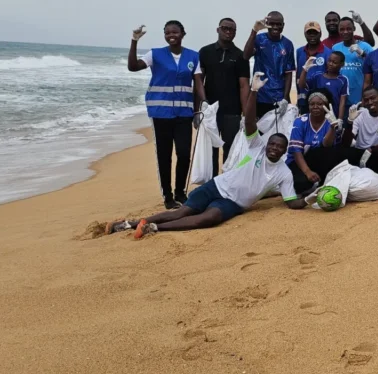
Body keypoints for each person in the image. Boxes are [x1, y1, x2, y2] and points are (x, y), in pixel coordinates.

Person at [106, 73, 306, 238]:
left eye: (279, 147)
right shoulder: (256, 147)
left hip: (233, 203)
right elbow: (250, 121)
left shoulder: (284, 173)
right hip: (217, 186)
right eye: (272, 144)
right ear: (267, 143)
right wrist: (253, 91)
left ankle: (153, 228)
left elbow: (292, 202)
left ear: (284, 151)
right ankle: (129, 224)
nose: (274, 148)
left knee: (209, 218)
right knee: (183, 211)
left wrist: (310, 199)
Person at [127, 21, 206, 209]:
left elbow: (198, 85)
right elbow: (133, 66)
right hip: (160, 113)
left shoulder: (193, 56)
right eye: (167, 33)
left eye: (175, 32)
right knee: (164, 156)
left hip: (184, 113)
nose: (171, 35)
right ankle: (168, 197)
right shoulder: (155, 54)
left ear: (182, 34)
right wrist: (134, 40)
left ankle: (181, 193)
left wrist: (202, 107)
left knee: (184, 154)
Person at [198, 18, 250, 176]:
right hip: (210, 111)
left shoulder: (241, 55)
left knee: (231, 150)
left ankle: (227, 182)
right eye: (225, 28)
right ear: (218, 29)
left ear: (235, 33)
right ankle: (212, 182)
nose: (228, 31)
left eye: (232, 29)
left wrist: (245, 114)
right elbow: (199, 80)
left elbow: (244, 85)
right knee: (210, 151)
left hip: (232, 111)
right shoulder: (205, 52)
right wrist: (199, 108)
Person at [287, 89, 345, 193]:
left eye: (319, 104)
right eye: (312, 104)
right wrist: (307, 171)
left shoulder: (330, 121)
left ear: (326, 105)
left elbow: (327, 146)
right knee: (301, 184)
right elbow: (296, 151)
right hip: (299, 162)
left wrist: (332, 128)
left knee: (331, 154)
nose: (315, 107)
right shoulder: (300, 121)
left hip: (319, 161)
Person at [244, 11, 295, 118]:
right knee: (259, 128)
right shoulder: (259, 39)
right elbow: (246, 56)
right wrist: (254, 31)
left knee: (280, 129)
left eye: (278, 24)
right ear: (266, 24)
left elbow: (288, 73)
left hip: (279, 98)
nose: (275, 27)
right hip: (260, 96)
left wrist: (286, 98)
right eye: (272, 24)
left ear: (283, 25)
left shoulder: (288, 44)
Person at [330, 16, 374, 120]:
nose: (345, 32)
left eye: (349, 29)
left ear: (354, 28)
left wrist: (363, 54)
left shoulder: (365, 46)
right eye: (342, 29)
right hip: (341, 99)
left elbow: (375, 64)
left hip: (360, 98)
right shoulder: (335, 48)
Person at [299, 50, 348, 119]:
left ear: (342, 64)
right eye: (329, 61)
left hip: (333, 116)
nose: (330, 64)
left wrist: (340, 119)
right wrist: (305, 69)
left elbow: (342, 102)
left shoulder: (343, 80)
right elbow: (301, 85)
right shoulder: (318, 76)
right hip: (316, 115)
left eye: (334, 62)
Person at [295, 21, 331, 115]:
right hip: (303, 99)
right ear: (305, 34)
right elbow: (298, 75)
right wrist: (298, 98)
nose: (312, 35)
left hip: (320, 100)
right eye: (309, 33)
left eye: (315, 33)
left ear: (320, 34)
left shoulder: (328, 52)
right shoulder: (299, 51)